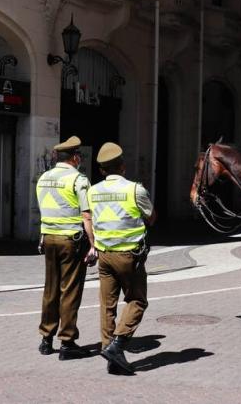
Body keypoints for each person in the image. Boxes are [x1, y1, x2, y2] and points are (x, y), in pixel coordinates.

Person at [88, 142, 157, 375]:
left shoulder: (93, 191)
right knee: (137, 301)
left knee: (107, 306)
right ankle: (117, 346)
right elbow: (151, 217)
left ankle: (109, 354)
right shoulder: (134, 190)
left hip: (104, 256)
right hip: (129, 256)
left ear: (102, 170)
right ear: (123, 167)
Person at [36, 135, 97, 360]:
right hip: (71, 240)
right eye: (78, 155)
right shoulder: (78, 179)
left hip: (49, 238)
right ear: (74, 157)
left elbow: (44, 209)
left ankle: (46, 339)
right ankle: (67, 342)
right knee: (69, 291)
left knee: (50, 289)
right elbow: (86, 215)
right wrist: (94, 244)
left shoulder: (43, 178)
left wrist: (43, 235)